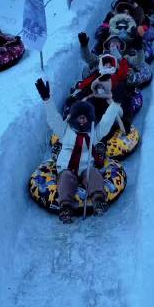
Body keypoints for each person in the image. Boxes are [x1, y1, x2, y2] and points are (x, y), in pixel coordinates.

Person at [35, 79, 123, 223]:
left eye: (85, 117)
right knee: (66, 179)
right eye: (79, 117)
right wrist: (47, 100)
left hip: (86, 166)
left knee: (93, 174)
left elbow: (107, 120)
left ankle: (98, 199)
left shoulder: (94, 132)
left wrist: (116, 103)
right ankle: (66, 207)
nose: (82, 120)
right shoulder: (64, 130)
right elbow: (53, 118)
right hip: (67, 166)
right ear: (73, 118)